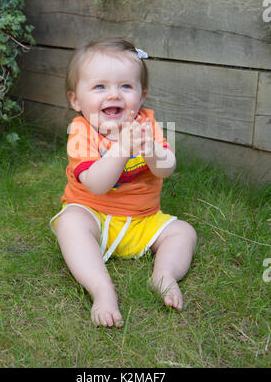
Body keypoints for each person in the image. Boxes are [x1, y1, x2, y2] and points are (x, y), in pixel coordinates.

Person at [50, 37, 197, 328]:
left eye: (125, 86)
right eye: (100, 86)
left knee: (183, 232)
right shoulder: (81, 131)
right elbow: (96, 184)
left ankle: (164, 274)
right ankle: (102, 289)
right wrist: (121, 150)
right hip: (95, 216)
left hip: (144, 220)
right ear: (75, 100)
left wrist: (153, 151)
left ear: (142, 96)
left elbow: (167, 169)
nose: (113, 94)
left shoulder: (146, 124)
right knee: (70, 223)